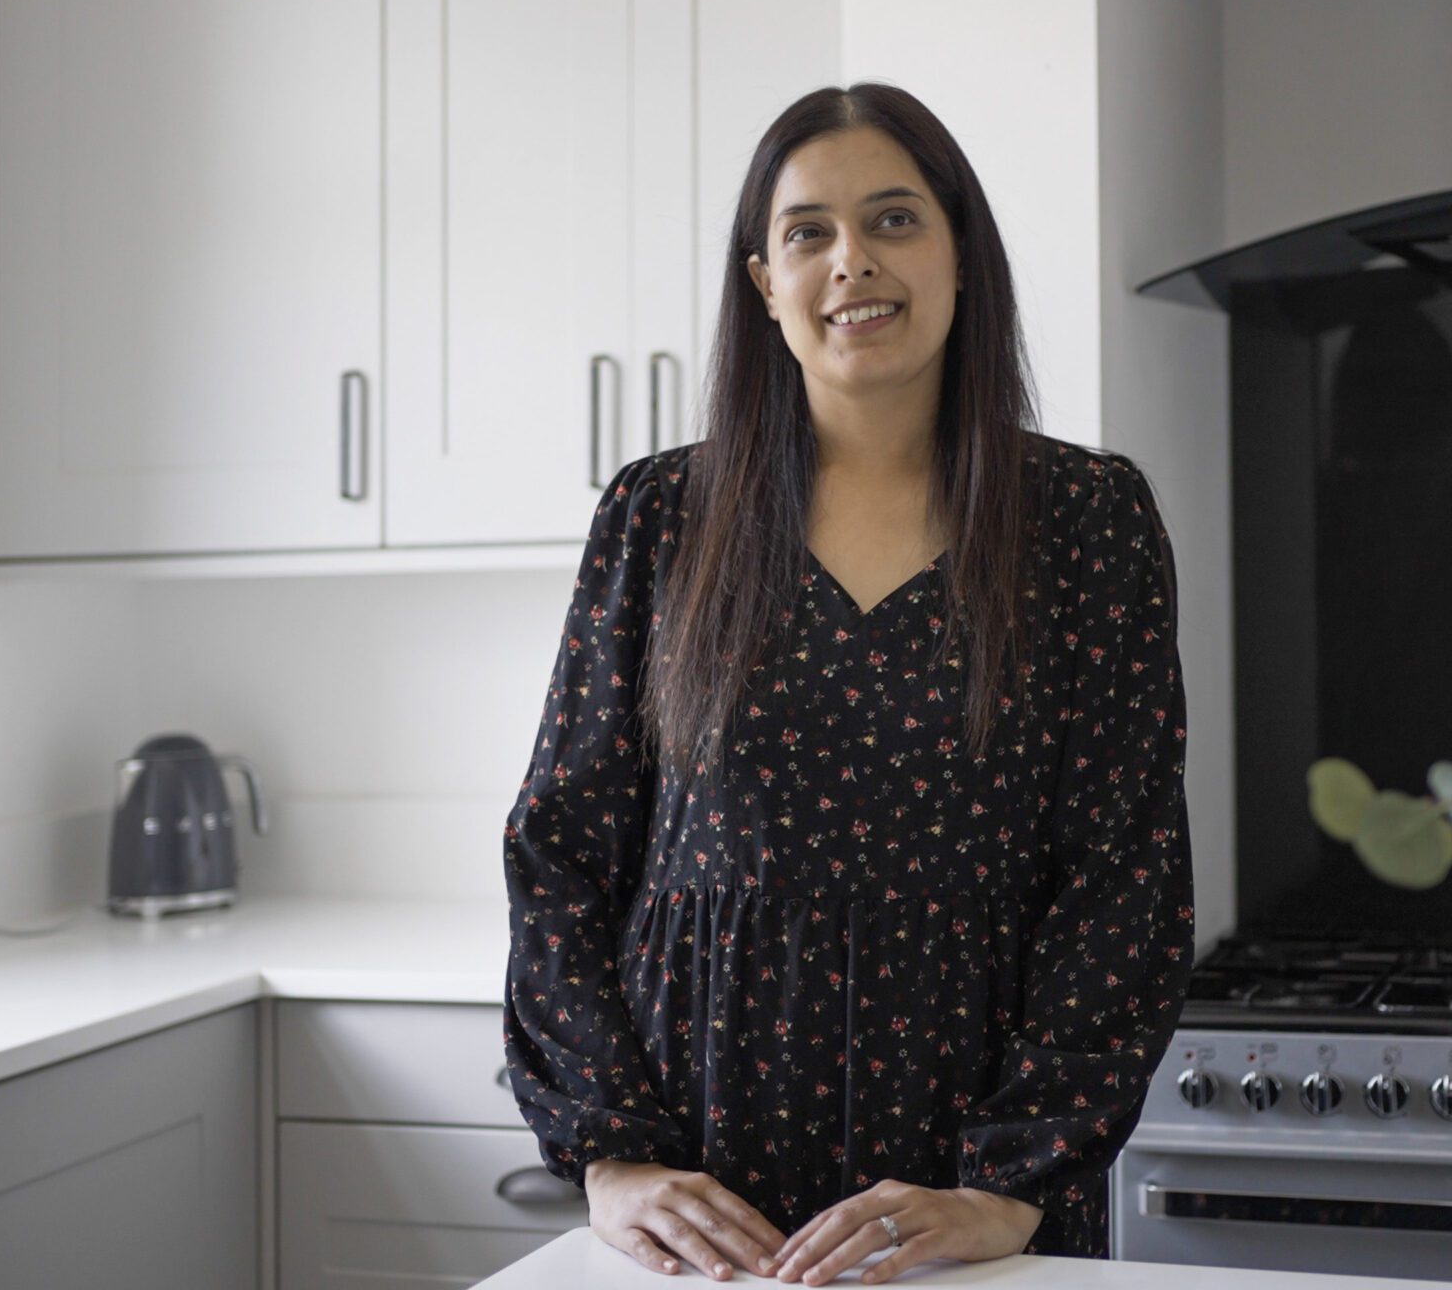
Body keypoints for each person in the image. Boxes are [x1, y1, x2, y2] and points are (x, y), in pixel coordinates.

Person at [500, 82, 1194, 1284]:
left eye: (894, 219)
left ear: (961, 255)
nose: (851, 262)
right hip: (704, 1204)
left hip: (972, 1214)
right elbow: (561, 851)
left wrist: (1006, 1184)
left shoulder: (1087, 521)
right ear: (762, 281)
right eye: (807, 231)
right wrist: (611, 1154)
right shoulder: (657, 517)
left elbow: (1123, 875)